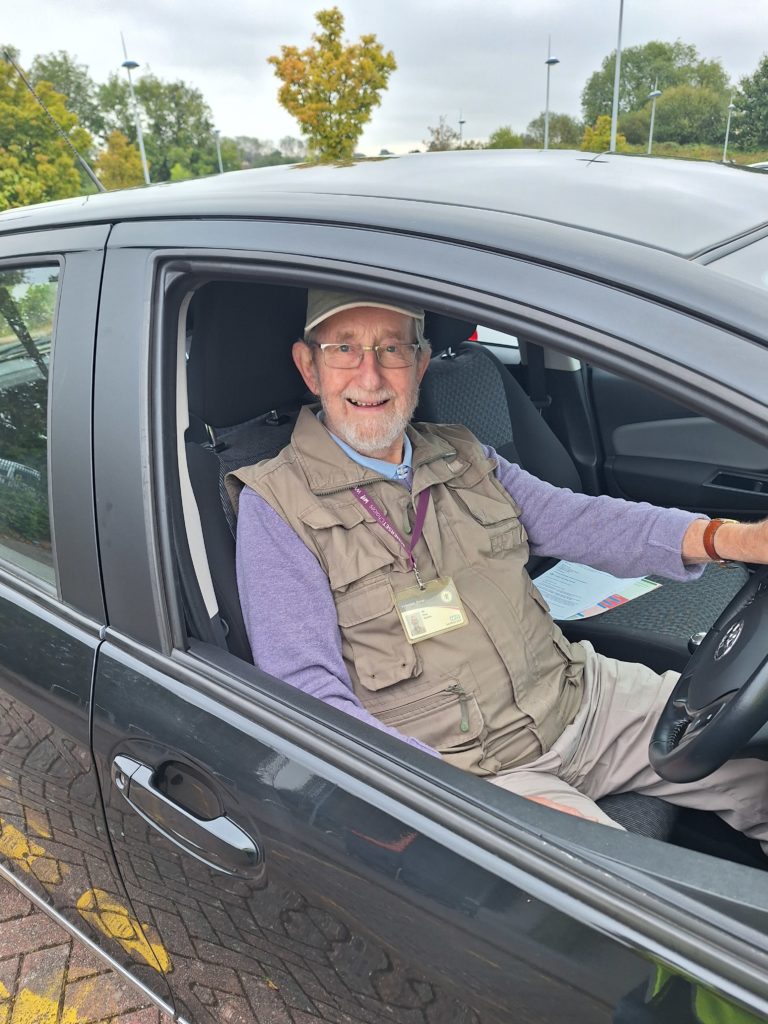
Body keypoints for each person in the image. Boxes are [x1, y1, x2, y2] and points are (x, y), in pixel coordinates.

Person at [228, 289, 768, 843]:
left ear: (419, 364)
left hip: (581, 697)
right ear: (309, 366)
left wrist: (731, 539)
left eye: (392, 349)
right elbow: (307, 693)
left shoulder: (462, 453)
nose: (370, 376)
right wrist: (458, 802)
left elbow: (580, 520)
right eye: (344, 349)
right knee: (648, 905)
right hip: (476, 773)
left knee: (757, 756)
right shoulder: (275, 506)